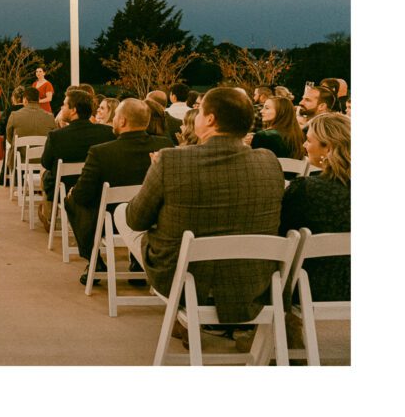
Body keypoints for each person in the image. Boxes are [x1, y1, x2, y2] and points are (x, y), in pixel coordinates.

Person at [120, 87, 286, 324]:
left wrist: (155, 174)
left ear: (210, 119)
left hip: (185, 280)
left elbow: (136, 220)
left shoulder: (171, 159)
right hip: (250, 282)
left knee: (122, 213)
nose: (195, 117)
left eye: (198, 113)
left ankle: (181, 317)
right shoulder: (269, 161)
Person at [64, 99, 171, 283]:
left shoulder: (100, 152)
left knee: (72, 199)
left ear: (122, 122)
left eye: (116, 117)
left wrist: (73, 192)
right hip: (151, 220)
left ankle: (95, 260)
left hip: (110, 223)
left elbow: (82, 195)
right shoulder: (164, 145)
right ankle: (138, 259)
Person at [279, 112, 350, 302]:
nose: (304, 146)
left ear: (328, 147)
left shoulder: (306, 190)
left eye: (309, 141)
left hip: (309, 286)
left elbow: (280, 235)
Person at [39, 88, 114, 224]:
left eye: (64, 104)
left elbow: (46, 162)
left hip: (66, 188)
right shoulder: (108, 133)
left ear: (73, 110)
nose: (61, 107)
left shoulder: (56, 136)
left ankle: (48, 215)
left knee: (44, 172)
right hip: (97, 187)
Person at [5, 87, 56, 182]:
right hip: (44, 158)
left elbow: (9, 137)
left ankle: (18, 182)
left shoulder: (15, 115)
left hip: (22, 159)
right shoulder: (50, 117)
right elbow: (54, 139)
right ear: (38, 100)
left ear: (25, 100)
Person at [0, 86, 25, 186]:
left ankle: (5, 178)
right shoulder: (28, 111)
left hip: (11, 142)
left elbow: (1, 127)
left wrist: (2, 135)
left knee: (8, 147)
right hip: (27, 145)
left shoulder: (9, 111)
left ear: (14, 98)